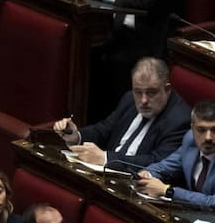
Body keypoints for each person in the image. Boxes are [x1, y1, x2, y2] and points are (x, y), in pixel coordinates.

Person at [52, 57, 191, 169]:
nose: (143, 100)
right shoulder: (129, 99)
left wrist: (106, 158)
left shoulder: (180, 120)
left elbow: (157, 162)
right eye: (138, 92)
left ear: (167, 89)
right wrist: (76, 136)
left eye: (151, 93)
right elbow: (104, 130)